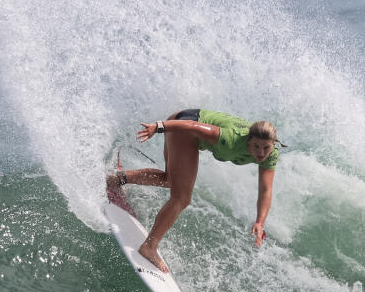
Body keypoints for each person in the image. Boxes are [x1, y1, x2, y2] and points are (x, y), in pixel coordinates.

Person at [110, 108, 279, 273]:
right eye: (256, 146)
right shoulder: (230, 139)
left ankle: (116, 179)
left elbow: (265, 190)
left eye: (266, 148)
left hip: (182, 120)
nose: (261, 152)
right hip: (184, 127)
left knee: (171, 180)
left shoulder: (270, 155)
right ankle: (149, 246)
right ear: (248, 141)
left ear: (273, 144)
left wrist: (260, 222)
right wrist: (159, 126)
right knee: (182, 198)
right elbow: (191, 126)